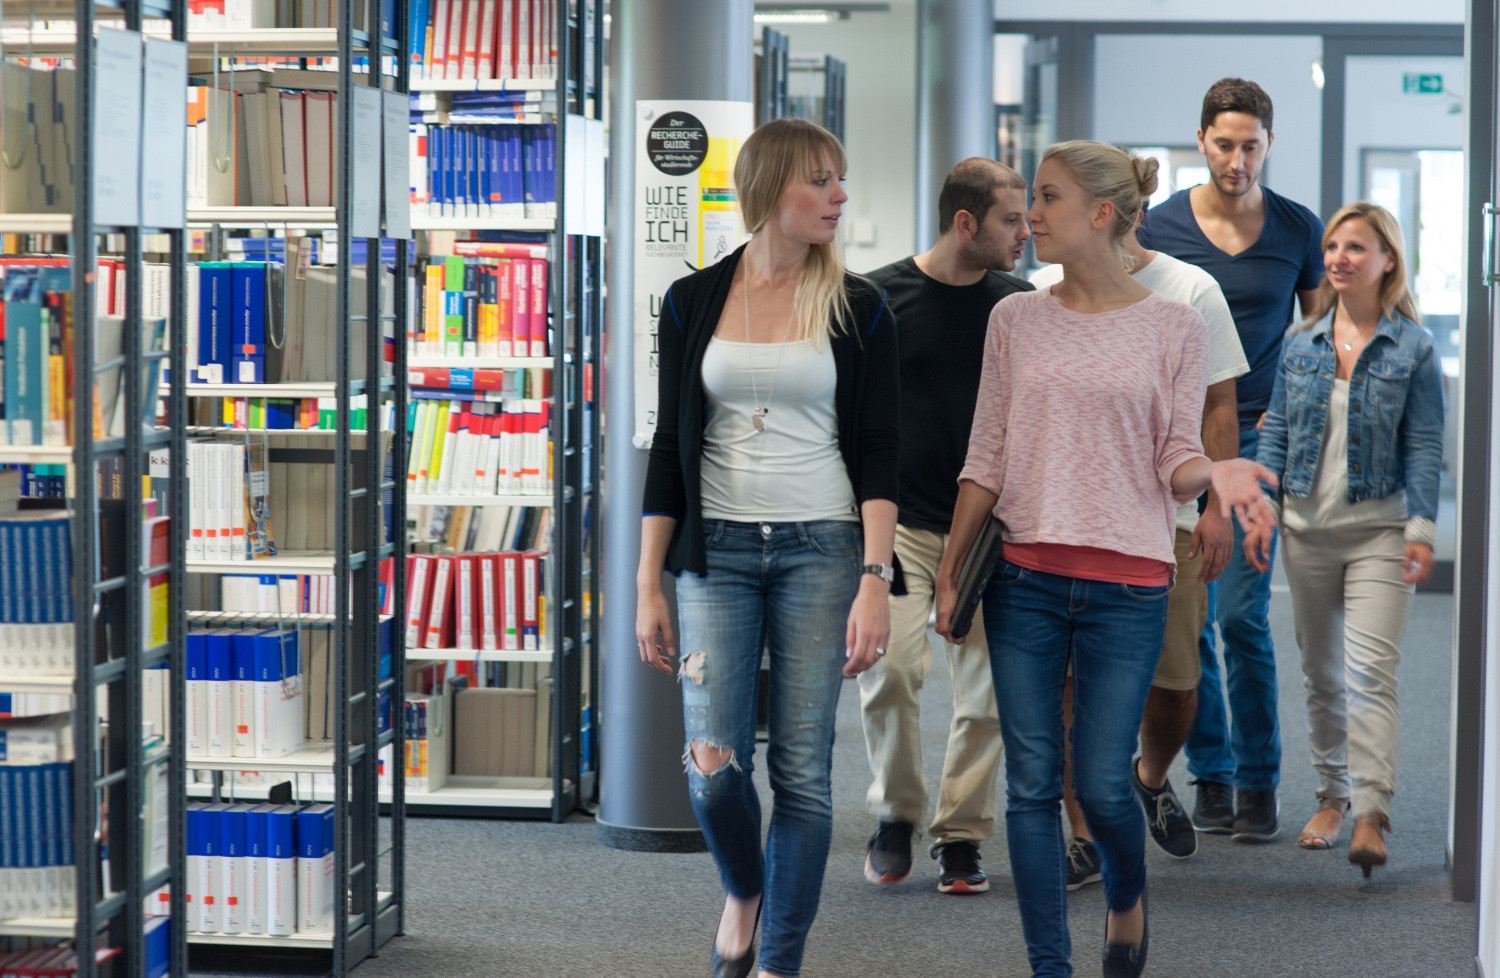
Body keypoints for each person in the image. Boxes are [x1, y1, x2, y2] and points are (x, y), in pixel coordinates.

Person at [934, 140, 1277, 978]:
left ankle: (1127, 894)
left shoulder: (1174, 324)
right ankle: (1049, 965)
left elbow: (1175, 458)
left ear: (1100, 213)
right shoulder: (1015, 318)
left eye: (1047, 198)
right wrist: (949, 569)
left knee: (1102, 784)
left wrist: (1218, 474)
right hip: (1024, 580)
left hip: (1129, 587)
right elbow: (987, 454)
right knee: (1031, 786)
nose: (1032, 216)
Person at [634, 117, 901, 978]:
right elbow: (669, 449)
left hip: (824, 547)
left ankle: (780, 959)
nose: (839, 196)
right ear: (769, 187)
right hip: (716, 553)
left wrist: (874, 578)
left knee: (802, 771)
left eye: (840, 179)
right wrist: (648, 582)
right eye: (820, 180)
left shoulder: (859, 306)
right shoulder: (691, 301)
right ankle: (744, 887)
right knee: (713, 765)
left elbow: (880, 451)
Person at [1138, 77, 1325, 842]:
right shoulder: (1159, 225)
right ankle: (1209, 772)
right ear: (1201, 141)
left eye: (1251, 146)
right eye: (1224, 145)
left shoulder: (1297, 227)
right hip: (1178, 445)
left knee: (1242, 615)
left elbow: (1317, 338)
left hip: (1257, 442)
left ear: (1269, 144)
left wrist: (1299, 424)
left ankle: (1258, 779)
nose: (1237, 160)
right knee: (1193, 616)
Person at [1032, 219, 1248, 875]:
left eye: (1052, 199)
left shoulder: (1190, 291)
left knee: (1176, 683)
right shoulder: (1039, 291)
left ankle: (1149, 778)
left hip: (1167, 521)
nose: (1040, 215)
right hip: (1067, 523)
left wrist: (1217, 508)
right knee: (1071, 686)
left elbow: (1219, 408)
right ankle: (1083, 833)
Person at [1244, 202, 1443, 878]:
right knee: (1322, 674)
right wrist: (1264, 509)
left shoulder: (1412, 347)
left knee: (1369, 674)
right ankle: (1332, 797)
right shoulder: (1301, 341)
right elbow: (1275, 432)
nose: (1338, 258)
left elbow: (1424, 445)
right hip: (1305, 532)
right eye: (1332, 247)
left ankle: (1370, 813)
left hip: (1379, 532)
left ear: (1387, 259)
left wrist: (1421, 528)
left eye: (1355, 247)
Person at [858, 158, 1033, 894]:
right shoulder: (877, 297)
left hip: (991, 529)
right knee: (891, 670)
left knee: (989, 691)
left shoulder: (1019, 306)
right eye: (1011, 220)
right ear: (966, 223)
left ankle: (960, 833)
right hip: (898, 525)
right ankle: (896, 812)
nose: (1025, 233)